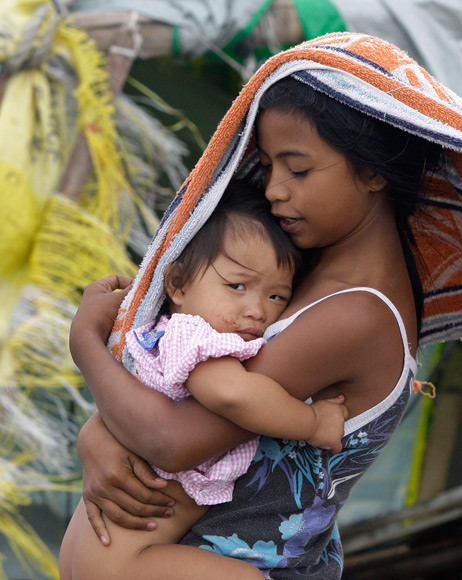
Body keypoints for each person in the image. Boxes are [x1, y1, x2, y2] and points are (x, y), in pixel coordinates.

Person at [65, 75, 444, 579]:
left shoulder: (353, 314)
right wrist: (96, 437)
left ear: (373, 171)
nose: (274, 189)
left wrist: (86, 343)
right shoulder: (293, 272)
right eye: (266, 166)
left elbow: (172, 439)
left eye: (299, 169)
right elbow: (176, 388)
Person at [58, 181, 350, 579]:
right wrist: (314, 423)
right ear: (176, 284)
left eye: (277, 297)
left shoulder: (162, 338)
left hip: (92, 553)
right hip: (128, 560)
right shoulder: (196, 338)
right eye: (237, 286)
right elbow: (233, 395)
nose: (256, 311)